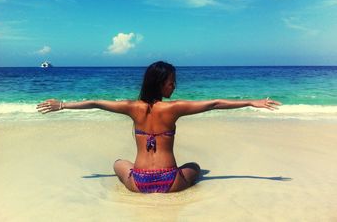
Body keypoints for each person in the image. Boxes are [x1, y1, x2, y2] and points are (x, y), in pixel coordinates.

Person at [37, 61, 281, 193]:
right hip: (171, 181)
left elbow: (96, 103)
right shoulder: (173, 108)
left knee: (118, 163)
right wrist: (251, 101)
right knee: (195, 167)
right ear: (160, 83)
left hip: (139, 183)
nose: (174, 86)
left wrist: (63, 105)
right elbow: (214, 104)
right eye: (171, 82)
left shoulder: (131, 107)